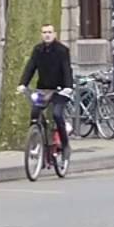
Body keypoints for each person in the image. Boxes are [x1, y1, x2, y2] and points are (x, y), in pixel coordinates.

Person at [17, 23, 73, 151]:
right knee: (35, 113)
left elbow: (66, 69)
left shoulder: (62, 50)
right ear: (41, 35)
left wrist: (68, 86)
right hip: (43, 89)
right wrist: (23, 84)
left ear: (54, 34)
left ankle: (64, 145)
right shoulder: (37, 50)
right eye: (44, 32)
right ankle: (36, 141)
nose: (47, 35)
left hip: (60, 90)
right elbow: (30, 67)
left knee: (57, 114)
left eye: (49, 32)